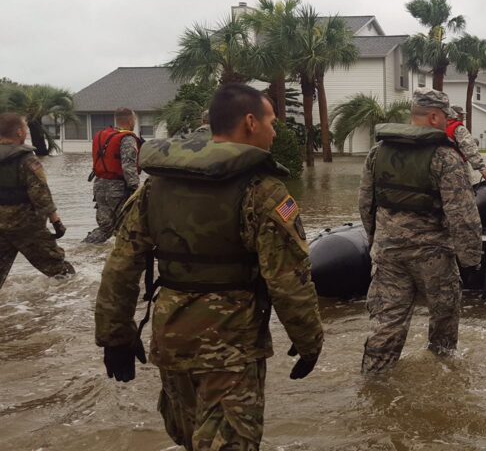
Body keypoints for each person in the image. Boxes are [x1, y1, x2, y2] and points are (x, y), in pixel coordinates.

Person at [94, 83, 323, 450]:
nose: (275, 131)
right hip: (231, 346)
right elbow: (288, 280)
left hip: (171, 339)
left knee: (189, 438)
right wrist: (309, 340)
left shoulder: (156, 186)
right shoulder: (263, 191)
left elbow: (122, 264)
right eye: (271, 122)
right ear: (250, 122)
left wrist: (114, 336)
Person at [359, 89, 482, 374]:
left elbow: (366, 203)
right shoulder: (445, 158)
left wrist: (374, 242)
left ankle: (374, 382)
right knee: (444, 320)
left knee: (387, 322)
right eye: (445, 118)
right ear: (435, 116)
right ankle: (443, 379)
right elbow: (463, 216)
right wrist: (471, 259)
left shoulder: (378, 153)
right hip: (433, 257)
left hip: (388, 254)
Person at [0, 113, 74, 290]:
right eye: (25, 128)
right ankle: (70, 305)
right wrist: (56, 221)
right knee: (61, 272)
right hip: (26, 225)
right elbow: (40, 195)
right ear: (19, 133)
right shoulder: (27, 159)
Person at [83, 107, 141, 243]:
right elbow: (128, 166)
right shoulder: (127, 138)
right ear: (131, 120)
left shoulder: (101, 135)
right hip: (118, 189)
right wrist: (136, 189)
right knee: (126, 227)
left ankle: (83, 249)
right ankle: (125, 259)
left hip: (99, 186)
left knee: (105, 228)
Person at [445, 105, 486, 181]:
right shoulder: (459, 129)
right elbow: (470, 149)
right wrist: (482, 168)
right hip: (456, 168)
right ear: (456, 115)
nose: (463, 117)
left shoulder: (441, 126)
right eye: (461, 114)